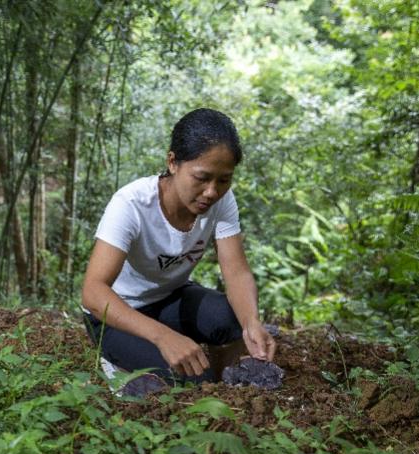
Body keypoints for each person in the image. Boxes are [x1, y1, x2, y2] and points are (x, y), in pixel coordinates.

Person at [81, 108, 276, 384]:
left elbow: (236, 273)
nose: (212, 191)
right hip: (117, 314)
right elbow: (92, 291)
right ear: (173, 162)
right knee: (186, 379)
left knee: (233, 321)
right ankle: (119, 364)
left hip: (169, 299)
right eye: (201, 178)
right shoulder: (131, 205)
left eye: (223, 180)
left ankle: (220, 383)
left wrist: (251, 323)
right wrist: (163, 336)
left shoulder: (222, 200)